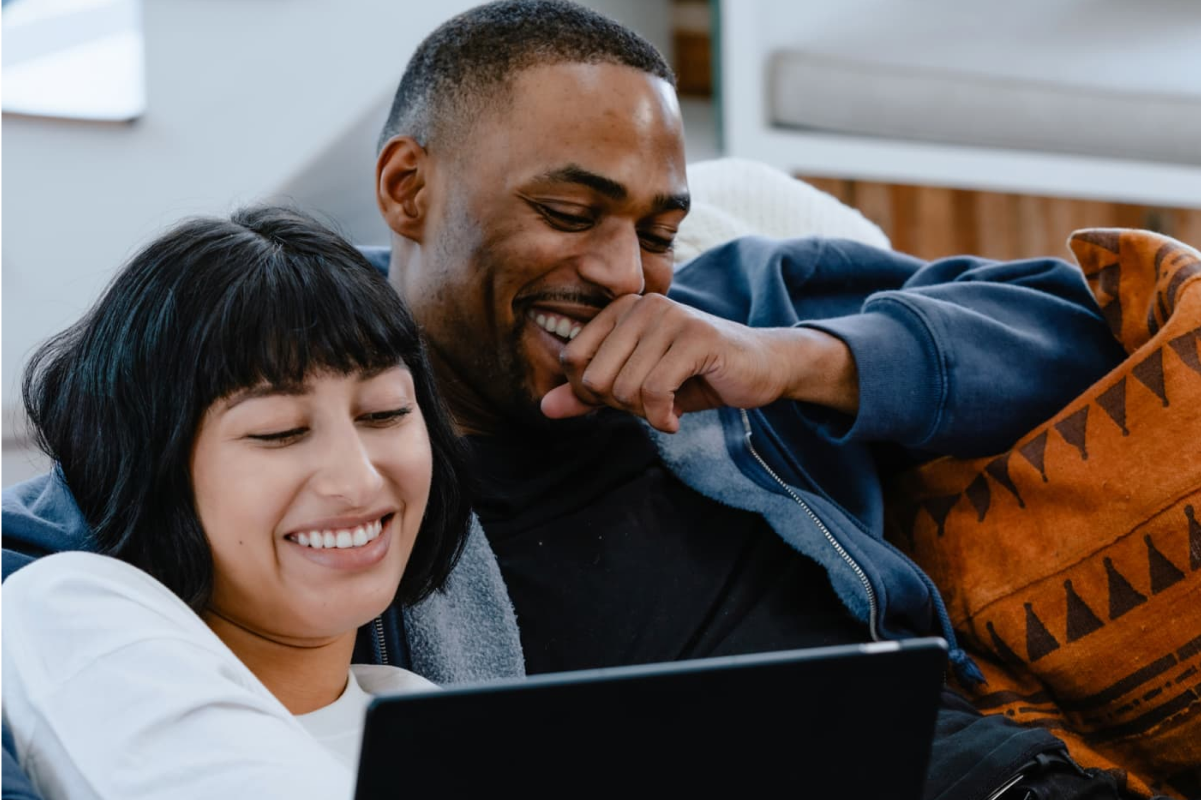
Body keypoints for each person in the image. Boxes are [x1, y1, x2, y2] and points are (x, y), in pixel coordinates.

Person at [1, 2, 1137, 799]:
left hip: (950, 771)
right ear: (408, 188)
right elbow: (45, 578)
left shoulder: (737, 304)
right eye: (568, 210)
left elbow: (1082, 330)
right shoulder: (298, 385)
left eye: (653, 227)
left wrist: (795, 360)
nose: (620, 271)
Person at [0, 207, 474, 800]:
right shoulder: (63, 606)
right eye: (279, 430)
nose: (356, 482)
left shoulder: (450, 726)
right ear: (154, 464)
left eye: (384, 413)